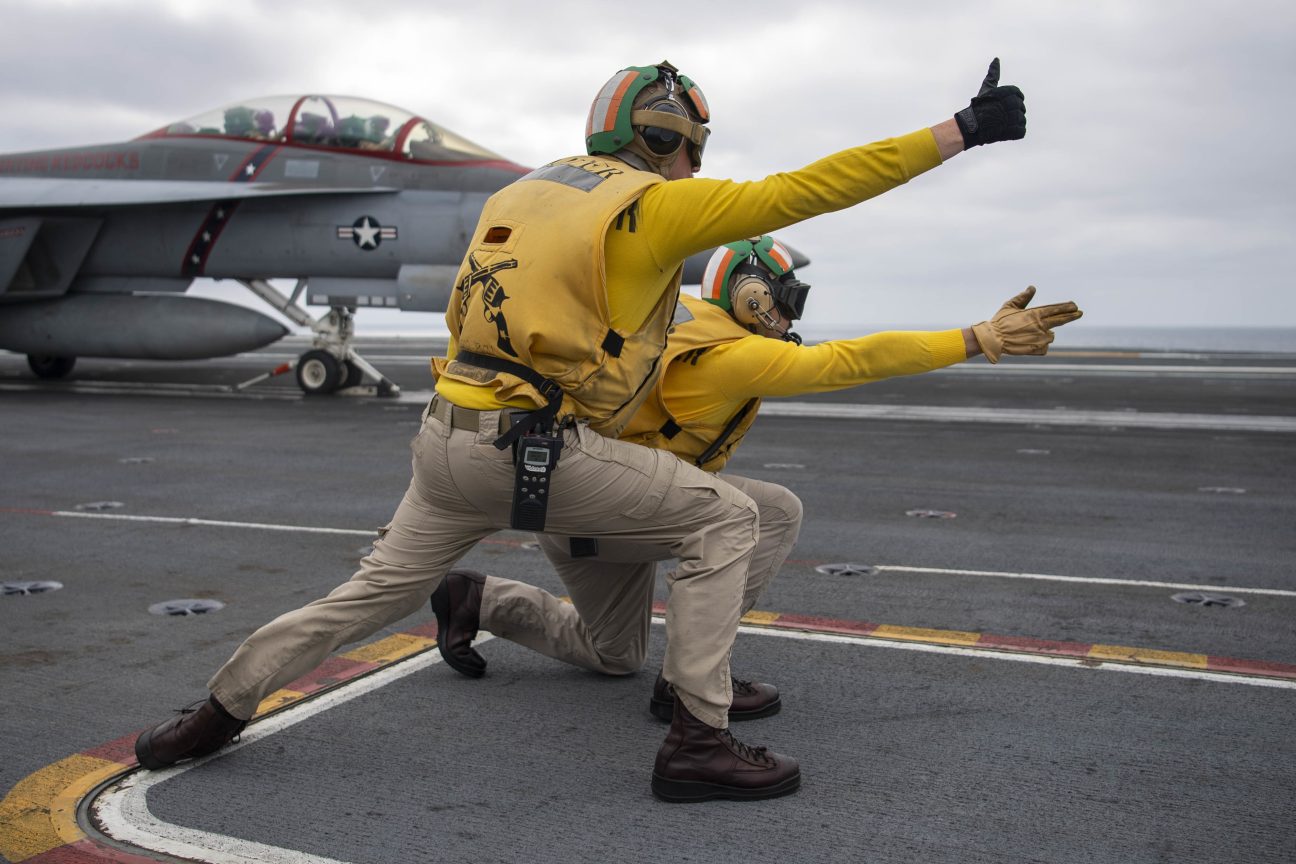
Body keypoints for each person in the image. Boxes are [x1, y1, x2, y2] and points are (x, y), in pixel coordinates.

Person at [134, 58, 1030, 803]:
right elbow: (811, 189)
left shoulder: (522, 191)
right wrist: (961, 131)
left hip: (447, 438)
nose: (692, 164)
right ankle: (697, 737)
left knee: (364, 598)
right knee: (732, 517)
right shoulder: (653, 206)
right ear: (669, 140)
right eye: (689, 145)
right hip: (538, 452)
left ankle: (216, 712)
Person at [431, 236, 1082, 724]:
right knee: (768, 511)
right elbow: (852, 361)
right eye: (787, 298)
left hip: (588, 509)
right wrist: (977, 337)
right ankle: (691, 680)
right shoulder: (727, 357)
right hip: (609, 510)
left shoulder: (676, 317)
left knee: (614, 655)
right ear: (752, 295)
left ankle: (479, 600)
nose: (791, 314)